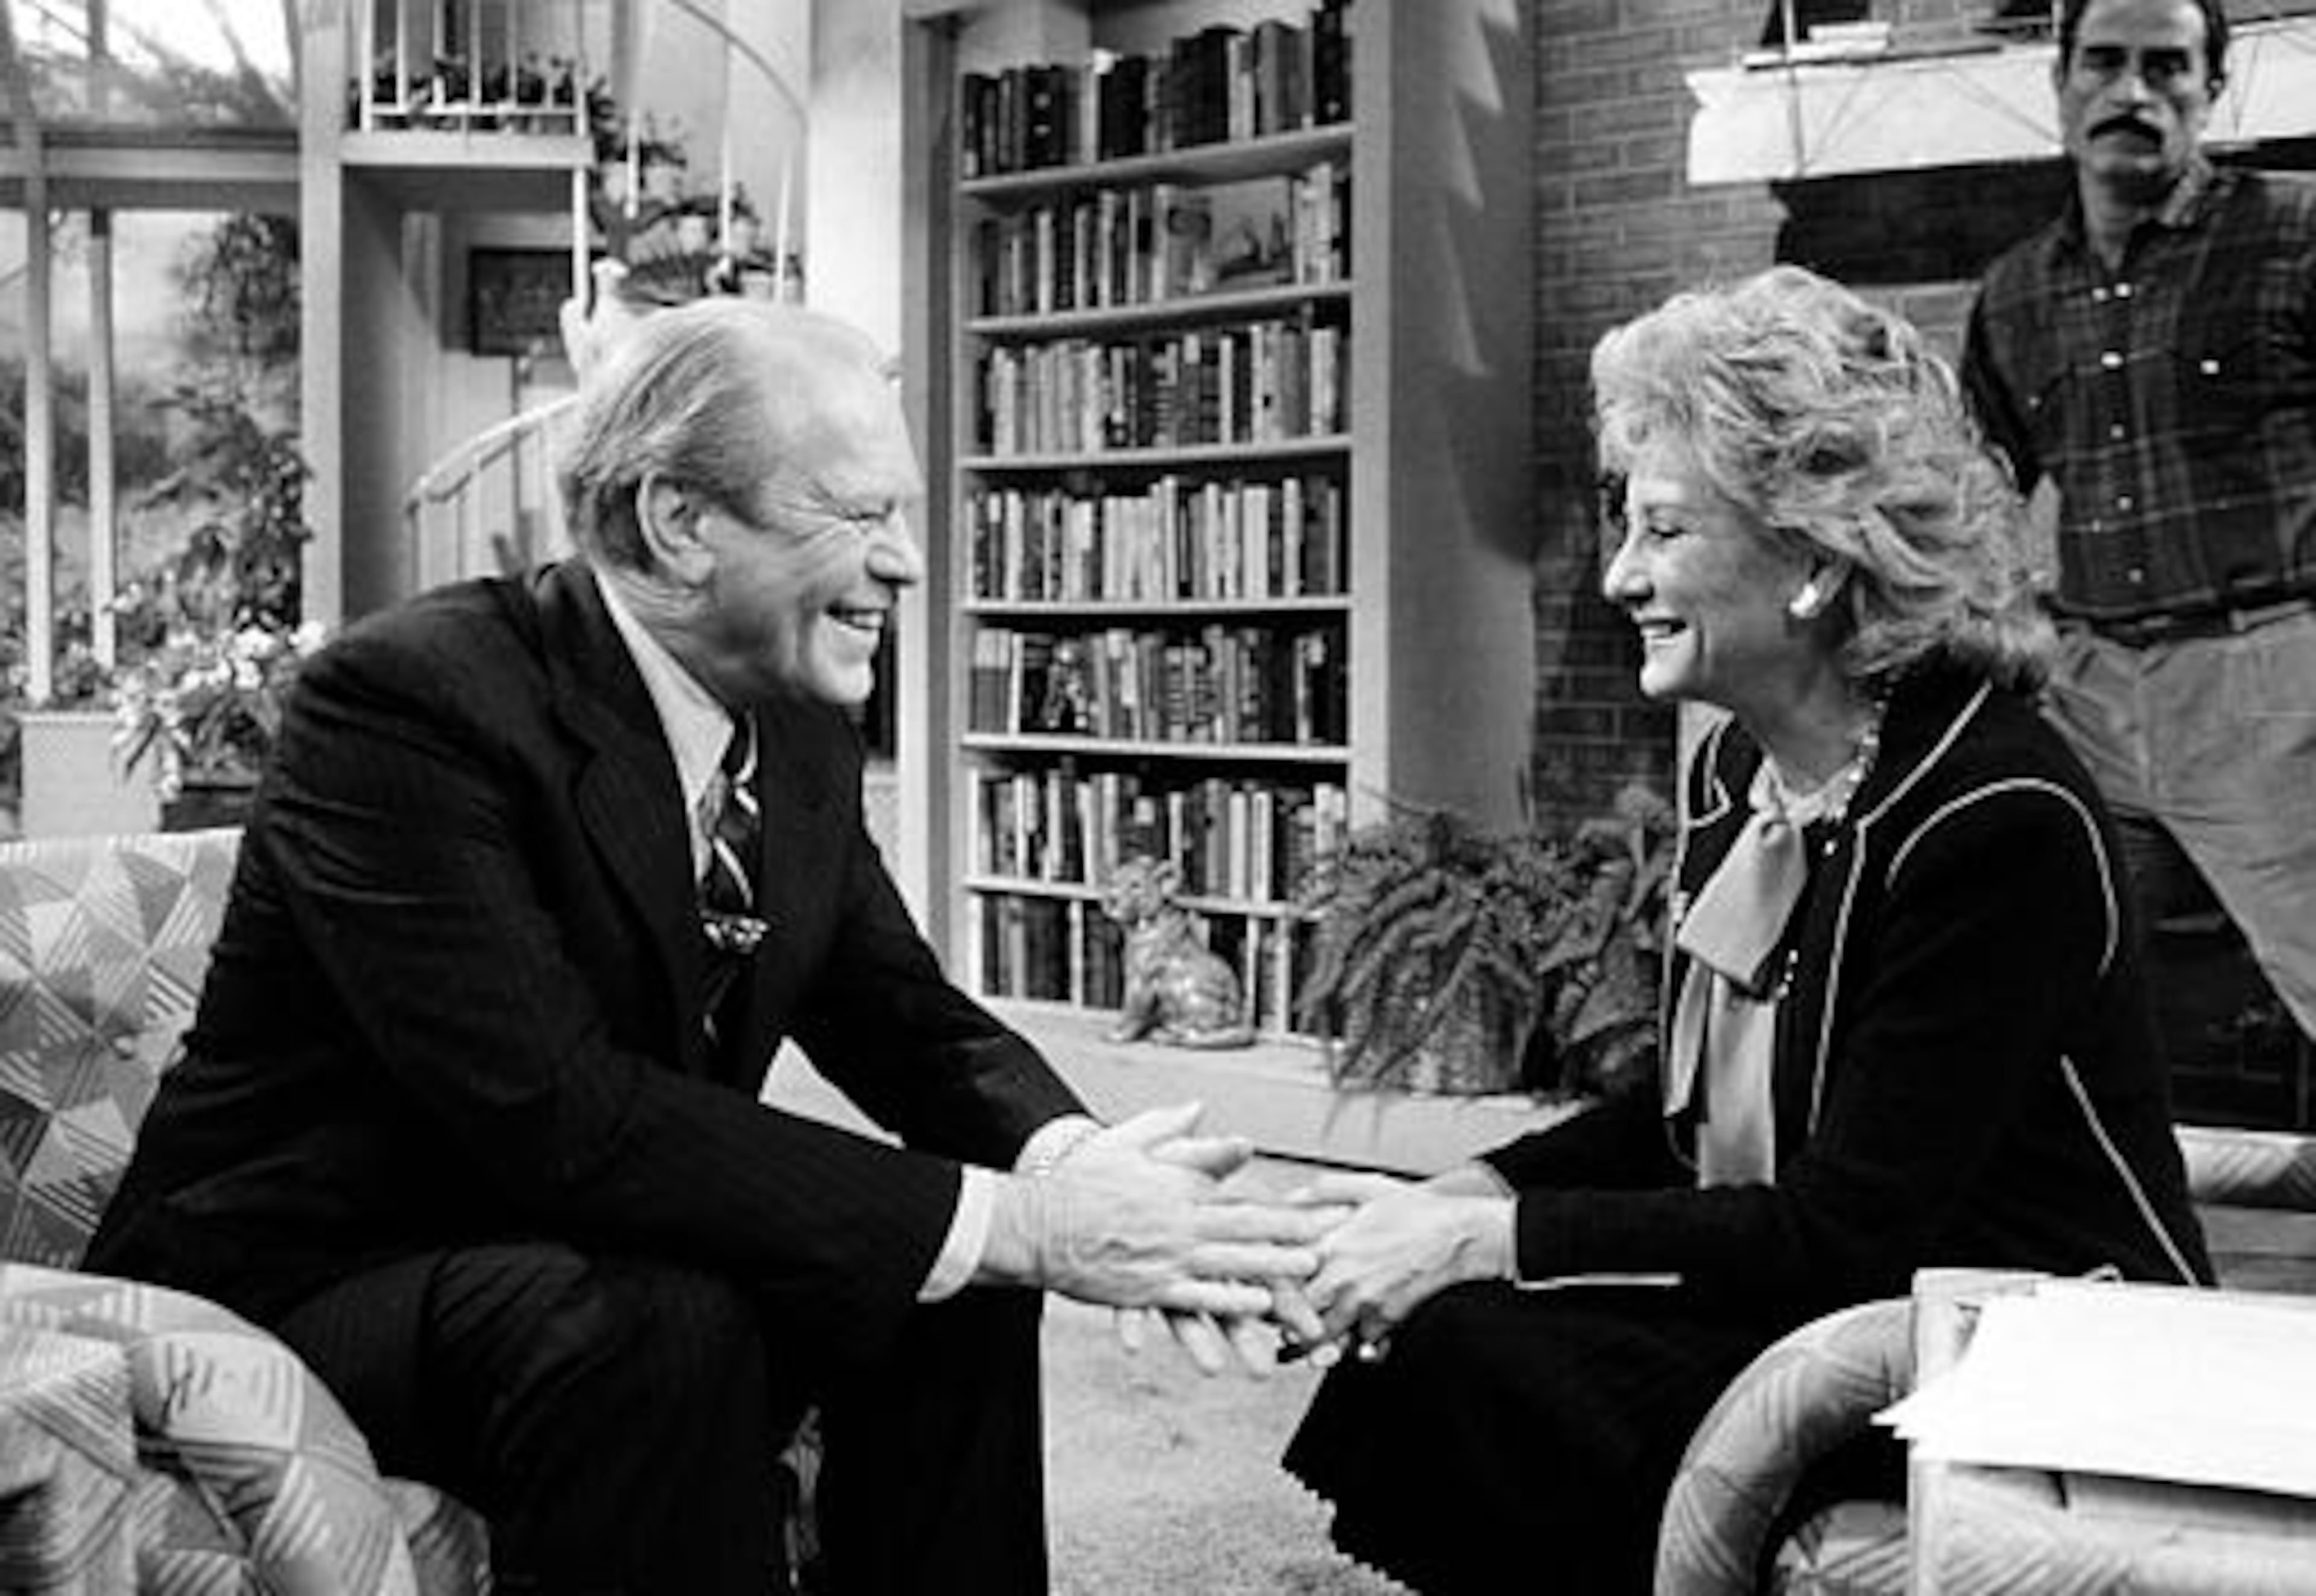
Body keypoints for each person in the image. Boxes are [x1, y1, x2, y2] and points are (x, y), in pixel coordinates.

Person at [87, 294, 1331, 1596]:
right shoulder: (410, 700)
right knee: (671, 1326)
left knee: (937, 1283)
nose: (907, 560)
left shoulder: (794, 728)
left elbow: (903, 1016)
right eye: (860, 514)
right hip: (307, 1279)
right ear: (681, 524)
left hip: (587, 1240)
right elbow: (560, 1115)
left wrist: (1085, 1172)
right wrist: (1033, 1223)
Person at [1278, 265, 2212, 1593]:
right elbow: (1682, 1123)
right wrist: (1452, 1200)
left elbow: (1852, 1230)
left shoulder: (1996, 813)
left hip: (2011, 1357)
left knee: (1492, 1350)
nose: (1619, 576)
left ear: (1817, 560)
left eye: (1663, 531)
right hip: (1831, 1312)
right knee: (1458, 1331)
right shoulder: (1737, 778)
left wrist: (1488, 1245)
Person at [1961, 0, 2316, 1080]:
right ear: (2059, 85)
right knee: (2038, 984)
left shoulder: (2297, 233)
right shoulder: (2016, 292)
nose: (2132, 94)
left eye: (2167, 68)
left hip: (2272, 685)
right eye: (2104, 65)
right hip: (2089, 692)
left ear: (2216, 90)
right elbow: (1971, 505)